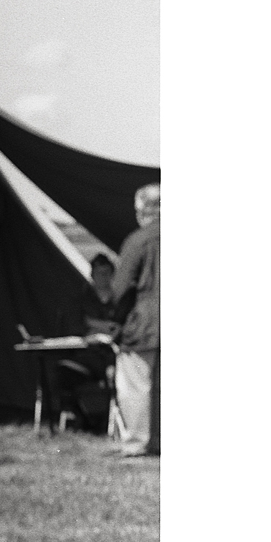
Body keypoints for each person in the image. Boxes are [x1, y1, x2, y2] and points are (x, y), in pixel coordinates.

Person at [106, 183, 160, 457]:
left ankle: (137, 443)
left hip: (144, 325)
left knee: (135, 385)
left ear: (142, 211)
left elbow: (121, 288)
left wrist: (115, 321)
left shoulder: (139, 241)